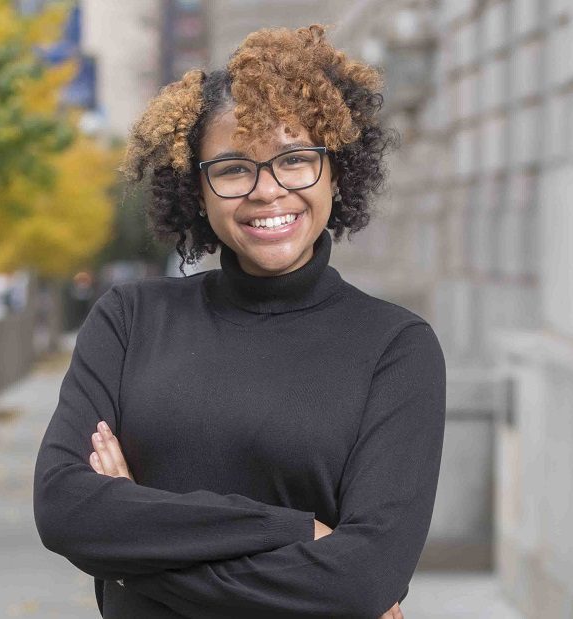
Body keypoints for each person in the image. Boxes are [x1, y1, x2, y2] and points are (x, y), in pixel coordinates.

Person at [33, 23, 446, 619]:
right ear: (198, 190)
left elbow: (364, 579)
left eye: (296, 159)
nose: (267, 191)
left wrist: (131, 554)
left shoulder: (395, 348)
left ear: (335, 171)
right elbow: (65, 509)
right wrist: (298, 531)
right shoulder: (129, 320)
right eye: (232, 168)